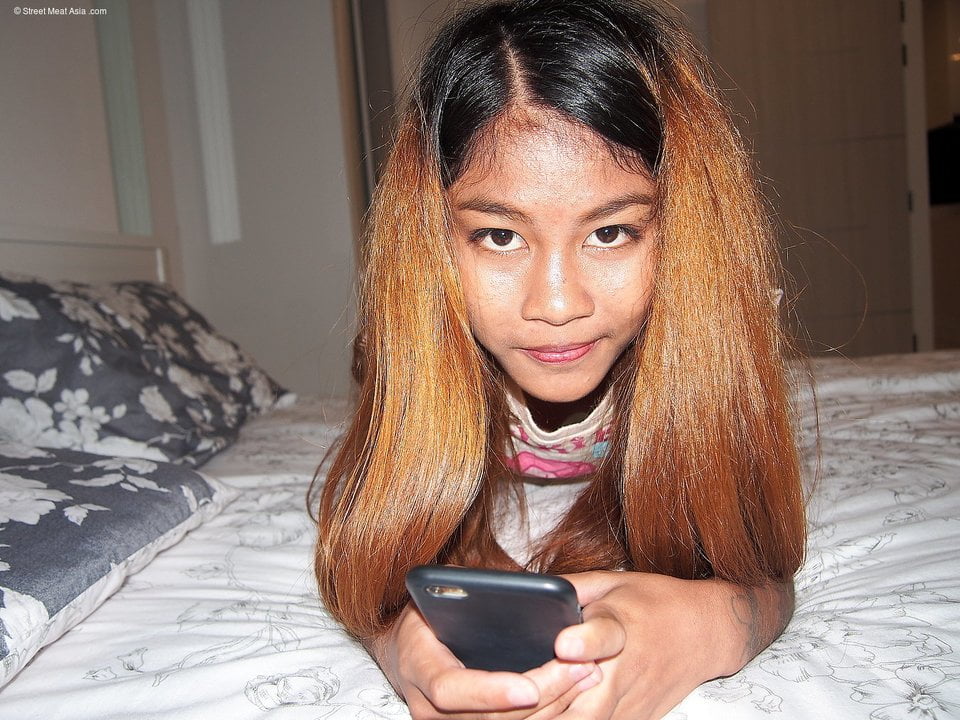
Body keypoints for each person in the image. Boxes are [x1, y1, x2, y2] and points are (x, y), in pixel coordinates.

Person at [313, 1, 806, 718]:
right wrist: (399, 644)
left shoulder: (712, 335)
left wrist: (703, 628)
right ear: (433, 238)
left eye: (610, 232)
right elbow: (369, 556)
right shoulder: (412, 347)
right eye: (499, 237)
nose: (556, 304)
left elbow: (764, 563)